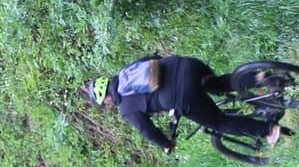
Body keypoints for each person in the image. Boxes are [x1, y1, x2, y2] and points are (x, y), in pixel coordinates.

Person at [86, 55, 281, 153]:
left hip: (182, 96)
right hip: (186, 65)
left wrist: (165, 144)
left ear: (107, 100)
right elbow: (152, 60)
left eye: (106, 103)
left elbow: (146, 130)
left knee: (220, 123)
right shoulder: (126, 72)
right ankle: (259, 78)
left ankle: (269, 129)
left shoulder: (125, 108)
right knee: (219, 84)